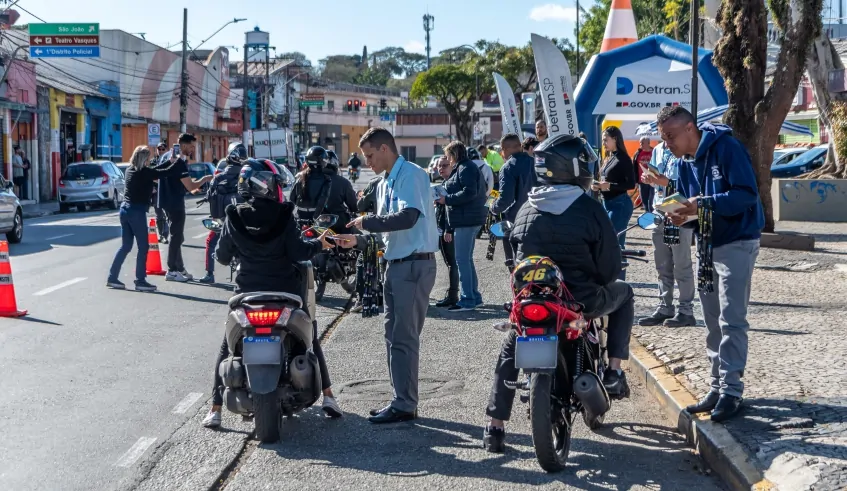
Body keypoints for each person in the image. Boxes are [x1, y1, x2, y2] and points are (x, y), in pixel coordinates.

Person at [482, 133, 634, 453]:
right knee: (626, 294)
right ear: (574, 167)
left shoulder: (526, 208)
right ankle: (615, 372)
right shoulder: (589, 208)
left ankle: (495, 428)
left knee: (512, 343)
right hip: (580, 301)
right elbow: (609, 270)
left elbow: (515, 260)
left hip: (534, 300)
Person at [202, 159, 341, 428]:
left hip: (247, 295)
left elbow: (221, 256)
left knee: (227, 344)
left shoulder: (234, 216)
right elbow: (300, 252)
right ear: (266, 184)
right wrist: (319, 243)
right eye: (276, 183)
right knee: (310, 335)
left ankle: (215, 409)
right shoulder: (284, 215)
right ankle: (328, 397)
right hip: (285, 292)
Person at [656, 106, 764, 422]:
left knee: (732, 319)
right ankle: (717, 387)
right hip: (706, 243)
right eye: (664, 138)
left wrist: (699, 205)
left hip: (737, 242)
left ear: (690, 128)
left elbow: (746, 195)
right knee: (712, 319)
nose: (668, 144)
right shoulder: (682, 163)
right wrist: (681, 214)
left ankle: (731, 391)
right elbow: (693, 207)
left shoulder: (727, 147)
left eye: (671, 136)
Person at [335, 127, 439, 424]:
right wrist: (359, 240)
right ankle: (401, 399)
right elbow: (388, 234)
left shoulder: (412, 175)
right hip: (396, 265)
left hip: (414, 265)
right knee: (393, 337)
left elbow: (408, 217)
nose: (367, 162)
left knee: (404, 338)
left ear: (384, 149)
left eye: (369, 155)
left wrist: (367, 222)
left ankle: (405, 403)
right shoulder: (382, 184)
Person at [108, 145, 209, 291]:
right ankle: (140, 281)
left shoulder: (131, 170)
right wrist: (178, 162)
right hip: (136, 212)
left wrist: (171, 160)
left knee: (126, 246)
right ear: (144, 159)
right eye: (148, 159)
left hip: (124, 210)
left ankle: (112, 277)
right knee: (143, 247)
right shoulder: (144, 172)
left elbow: (158, 170)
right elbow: (164, 172)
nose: (150, 161)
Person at [638, 140, 697, 328]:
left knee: (681, 264)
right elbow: (657, 179)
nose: (665, 136)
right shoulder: (657, 149)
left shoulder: (684, 149)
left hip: (678, 211)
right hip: (659, 212)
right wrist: (650, 179)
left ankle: (686, 310)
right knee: (662, 264)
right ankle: (665, 307)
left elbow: (688, 184)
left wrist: (663, 181)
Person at [438, 141, 487, 312]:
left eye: (448, 156)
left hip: (466, 220)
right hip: (468, 219)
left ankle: (468, 299)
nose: (448, 159)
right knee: (466, 259)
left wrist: (447, 199)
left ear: (454, 154)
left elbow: (469, 192)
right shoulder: (466, 167)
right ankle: (474, 296)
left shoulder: (465, 168)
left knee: (462, 260)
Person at [157, 133, 209, 282]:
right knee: (176, 237)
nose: (193, 150)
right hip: (175, 202)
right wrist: (206, 178)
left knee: (177, 236)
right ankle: (172, 270)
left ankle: (179, 268)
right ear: (184, 145)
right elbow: (191, 186)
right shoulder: (178, 161)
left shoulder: (167, 156)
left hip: (166, 201)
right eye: (192, 146)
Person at [199, 142, 247, 284]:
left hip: (222, 222)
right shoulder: (248, 176)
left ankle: (209, 274)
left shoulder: (219, 178)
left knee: (210, 242)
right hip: (244, 221)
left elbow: (209, 195)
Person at [490, 133, 537, 270]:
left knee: (518, 265)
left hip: (515, 220)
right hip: (537, 217)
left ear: (505, 149)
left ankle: (520, 289)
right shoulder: (535, 162)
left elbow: (506, 198)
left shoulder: (508, 167)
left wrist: (494, 207)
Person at [592, 126, 636, 274]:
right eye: (603, 140)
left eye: (606, 139)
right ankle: (610, 279)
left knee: (616, 244)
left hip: (620, 204)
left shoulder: (624, 159)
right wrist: (597, 185)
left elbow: (630, 184)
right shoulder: (609, 157)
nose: (603, 143)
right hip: (607, 203)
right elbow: (605, 179)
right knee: (607, 242)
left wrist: (609, 185)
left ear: (615, 139)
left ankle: (618, 280)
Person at [290, 146, 358, 234]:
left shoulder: (303, 177)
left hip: (304, 221)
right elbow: (353, 205)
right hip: (335, 224)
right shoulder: (341, 182)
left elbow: (292, 199)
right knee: (357, 238)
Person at [433, 156, 459, 308]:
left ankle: (453, 295)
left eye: (444, 165)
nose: (441, 168)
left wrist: (449, 229)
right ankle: (453, 294)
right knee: (450, 262)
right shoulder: (444, 184)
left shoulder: (451, 184)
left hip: (447, 229)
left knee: (452, 263)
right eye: (439, 166)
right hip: (441, 227)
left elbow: (451, 209)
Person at [152, 142, 170, 242]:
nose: (161, 151)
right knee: (159, 214)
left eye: (163, 149)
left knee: (168, 213)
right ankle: (162, 235)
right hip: (156, 191)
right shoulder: (153, 162)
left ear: (166, 150)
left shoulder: (170, 161)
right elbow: (150, 175)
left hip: (167, 191)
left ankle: (168, 233)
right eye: (159, 149)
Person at [632, 136, 655, 212]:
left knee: (651, 202)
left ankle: (653, 218)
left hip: (653, 181)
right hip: (642, 181)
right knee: (644, 201)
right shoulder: (638, 153)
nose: (640, 144)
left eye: (642, 143)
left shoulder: (655, 152)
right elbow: (634, 167)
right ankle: (648, 217)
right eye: (640, 143)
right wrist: (635, 180)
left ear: (648, 143)